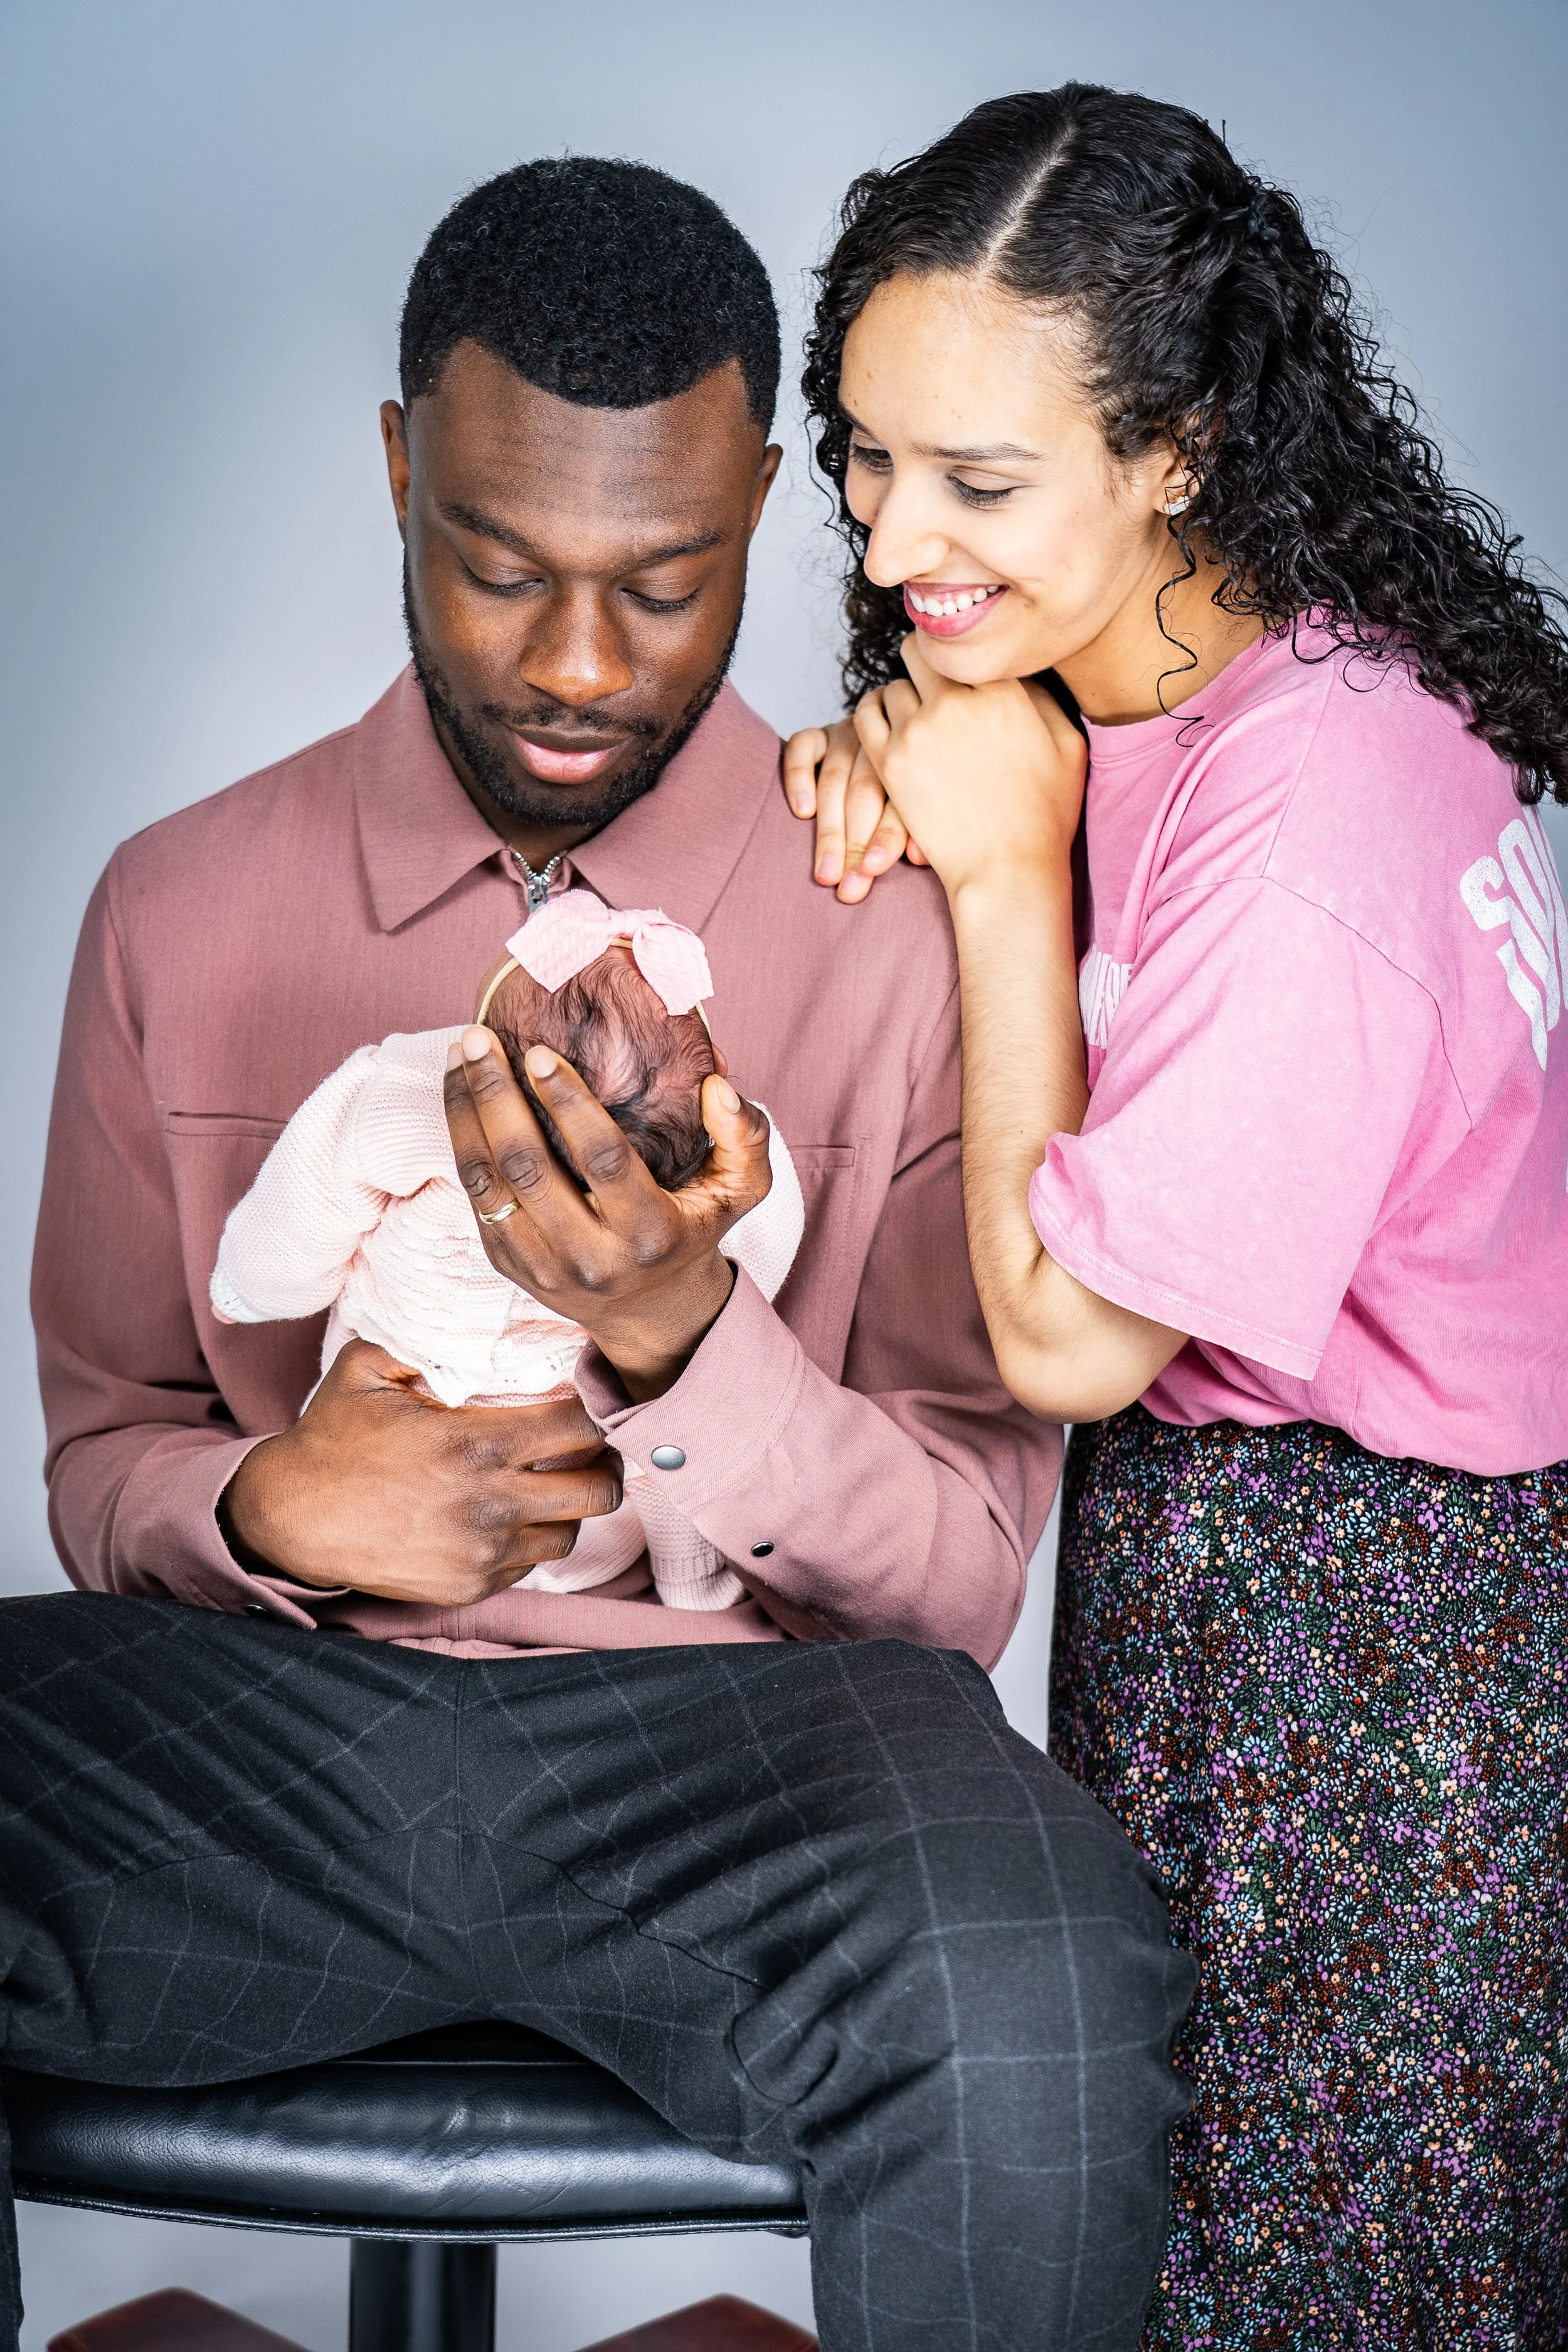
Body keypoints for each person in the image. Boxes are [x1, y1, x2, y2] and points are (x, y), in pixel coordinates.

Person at [2, 157, 1195, 2351]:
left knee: (1049, 1957)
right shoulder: (172, 907)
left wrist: (681, 1338)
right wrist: (265, 1506)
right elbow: (103, 1456)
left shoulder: (910, 920)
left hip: (742, 1769)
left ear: (765, 500)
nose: (572, 663)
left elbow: (955, 1577)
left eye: (664, 583)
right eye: (491, 562)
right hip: (269, 1746)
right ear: (396, 468)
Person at [784, 83, 1568, 2348]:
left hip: (1374, 1652)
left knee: (1315, 2289)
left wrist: (1002, 867)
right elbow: (991, 742)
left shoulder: (1313, 819)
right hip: (1262, 1579)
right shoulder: (1168, 659)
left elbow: (1060, 1341)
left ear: (1182, 448)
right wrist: (908, 750)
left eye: (980, 481)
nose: (897, 530)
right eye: (865, 453)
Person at [209, 889, 806, 1611]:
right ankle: (698, 1594)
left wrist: (254, 1286)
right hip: (588, 1486)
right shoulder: (741, 1156)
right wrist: (683, 1328)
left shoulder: (407, 1092)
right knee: (668, 1451)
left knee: (364, 1383)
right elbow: (758, 1263)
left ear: (479, 1049)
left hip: (399, 1403)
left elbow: (307, 1200)